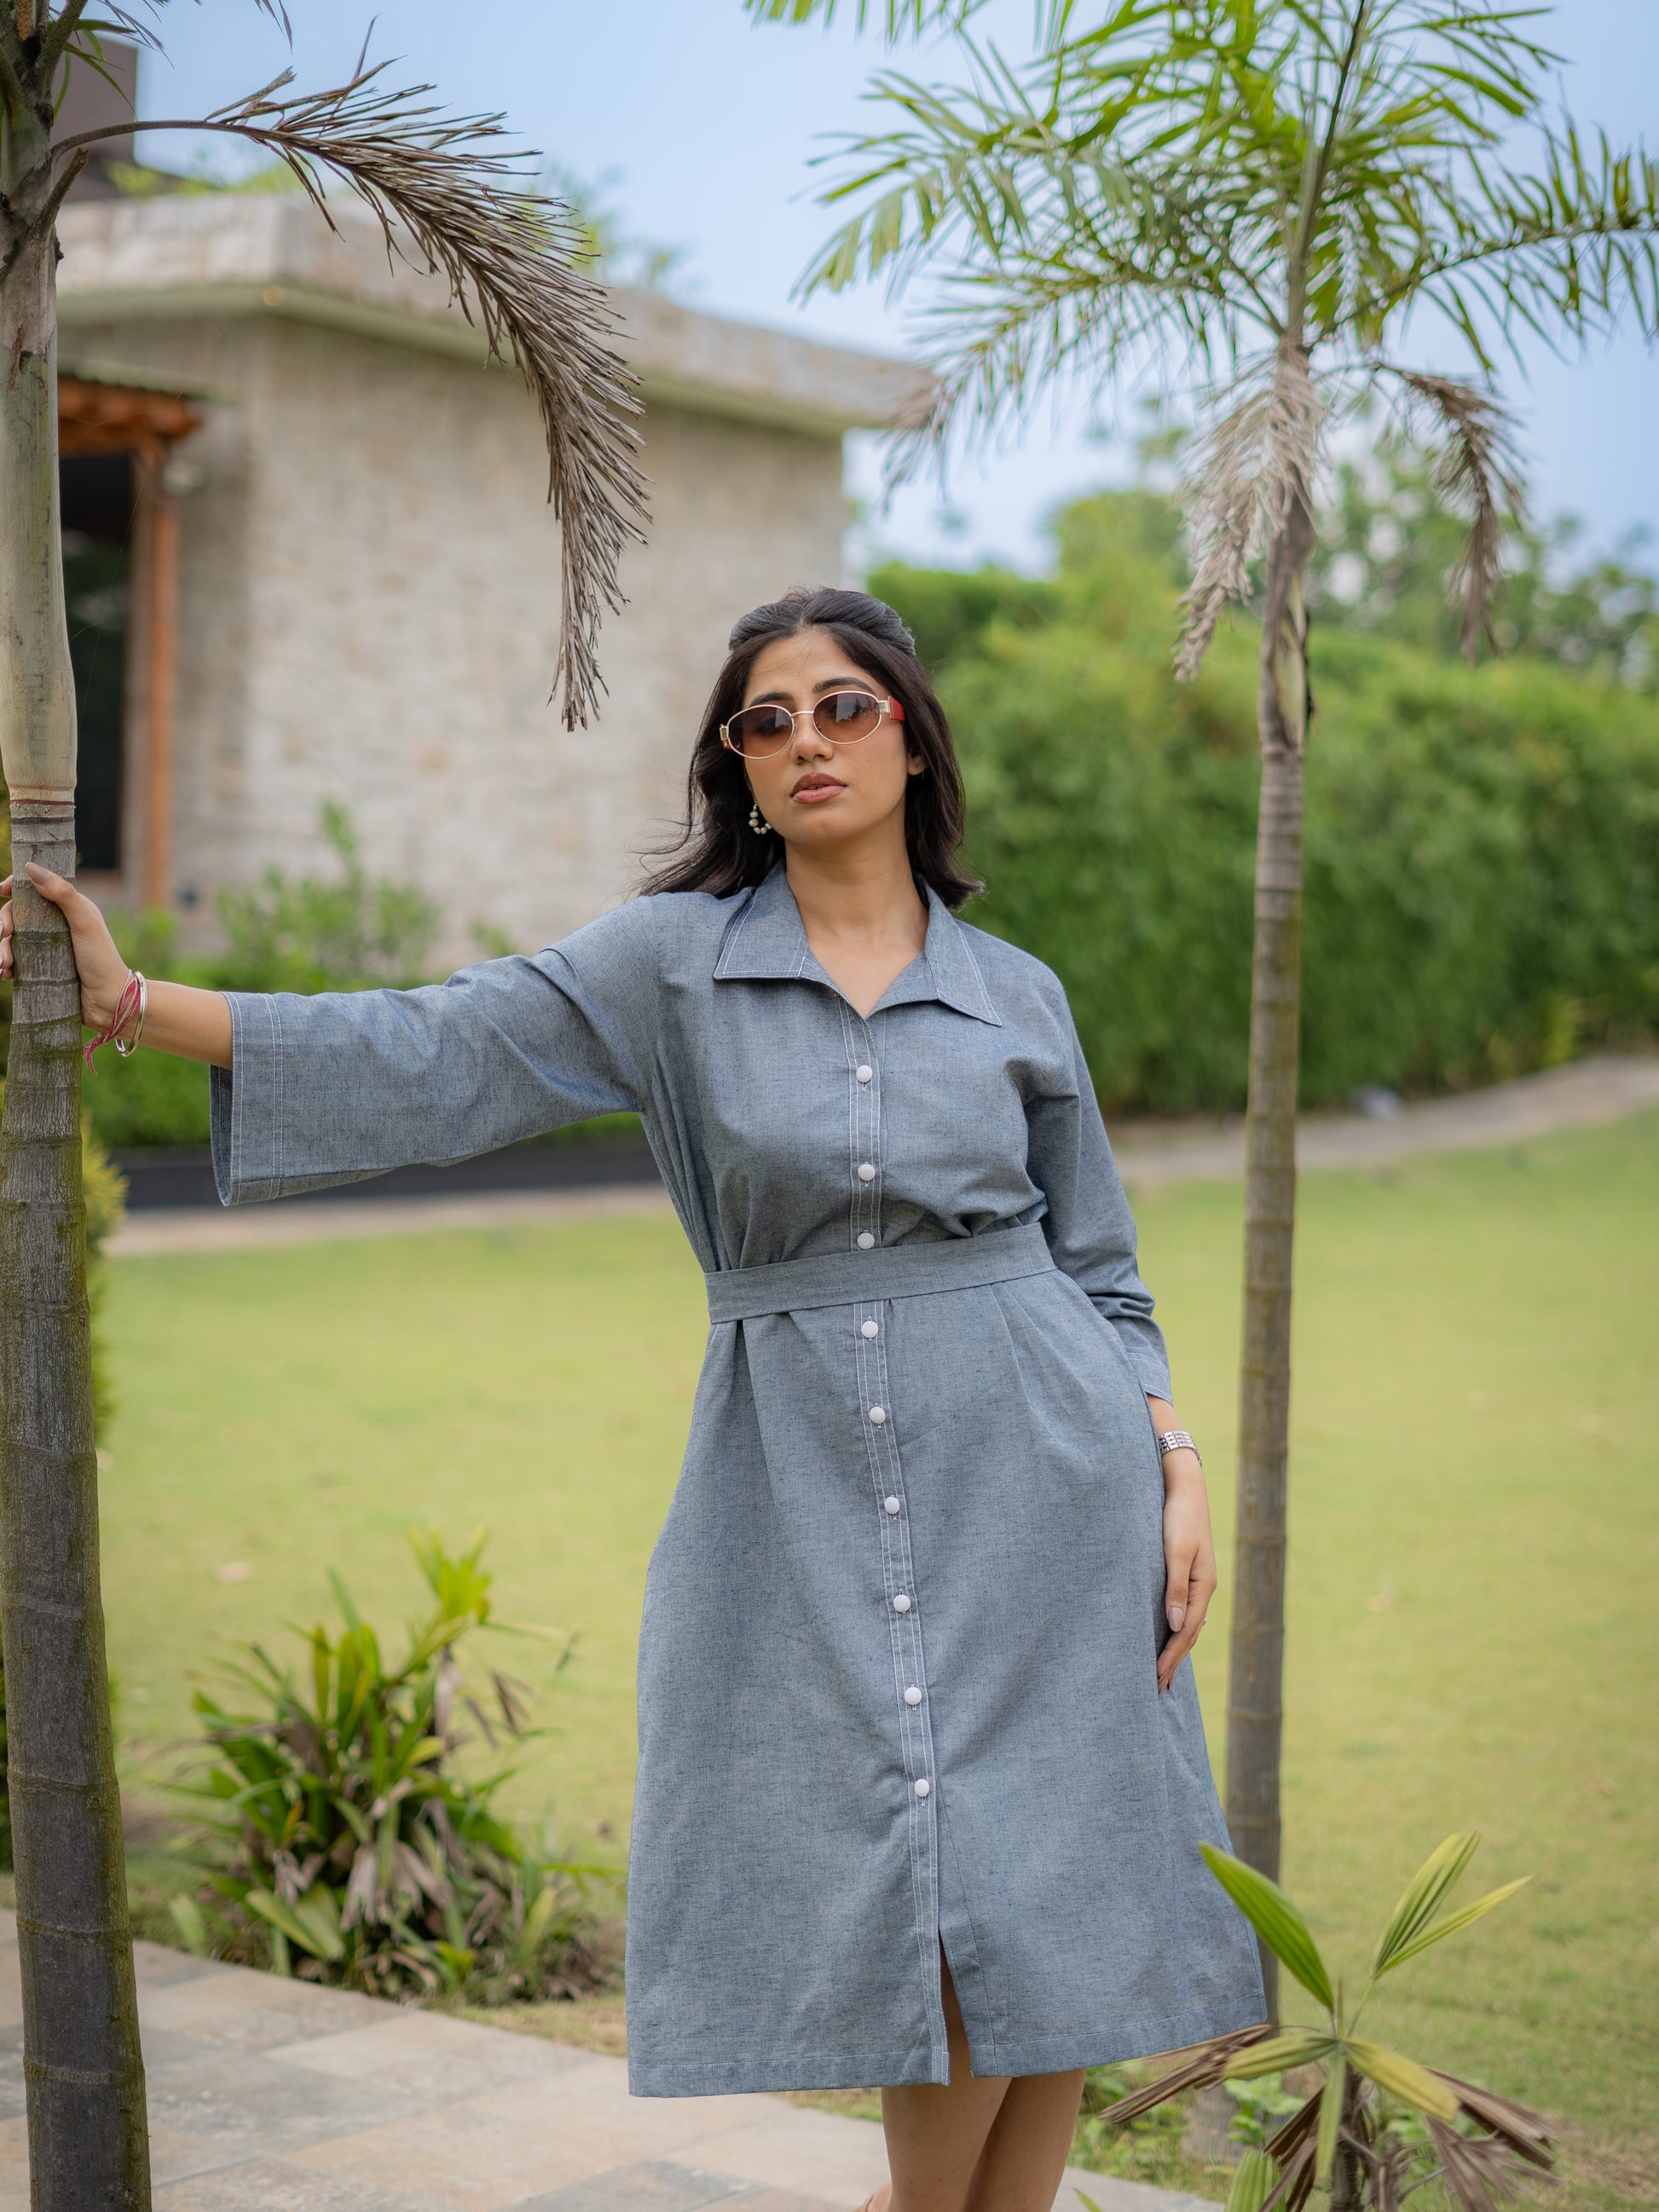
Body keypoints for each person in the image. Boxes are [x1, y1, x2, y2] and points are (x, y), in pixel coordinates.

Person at [2, 586, 1263, 2212]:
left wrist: (1173, 1457)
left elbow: (1099, 1263)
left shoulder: (1018, 992)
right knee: (932, 1905)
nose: (806, 740)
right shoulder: (671, 968)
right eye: (766, 721)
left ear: (912, 740)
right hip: (809, 1491)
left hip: (1051, 1490)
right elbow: (436, 1047)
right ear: (738, 771)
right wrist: (134, 1001)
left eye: (843, 707)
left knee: (1039, 1911)